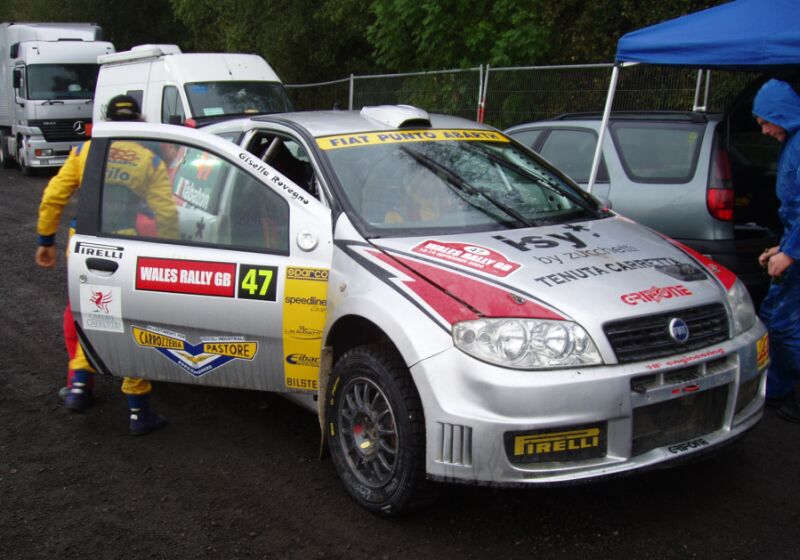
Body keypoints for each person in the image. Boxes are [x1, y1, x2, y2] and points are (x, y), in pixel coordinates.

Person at [36, 94, 178, 435]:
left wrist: (45, 240)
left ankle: (79, 389)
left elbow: (54, 195)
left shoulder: (85, 151)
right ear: (139, 122)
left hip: (83, 249)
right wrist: (172, 251)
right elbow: (167, 213)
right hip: (125, 250)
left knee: (89, 317)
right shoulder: (149, 159)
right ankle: (137, 411)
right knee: (127, 324)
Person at [752, 79, 800, 423]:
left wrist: (790, 253)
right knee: (778, 321)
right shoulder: (793, 144)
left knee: (783, 325)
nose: (765, 131)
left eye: (765, 122)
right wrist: (782, 248)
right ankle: (780, 389)